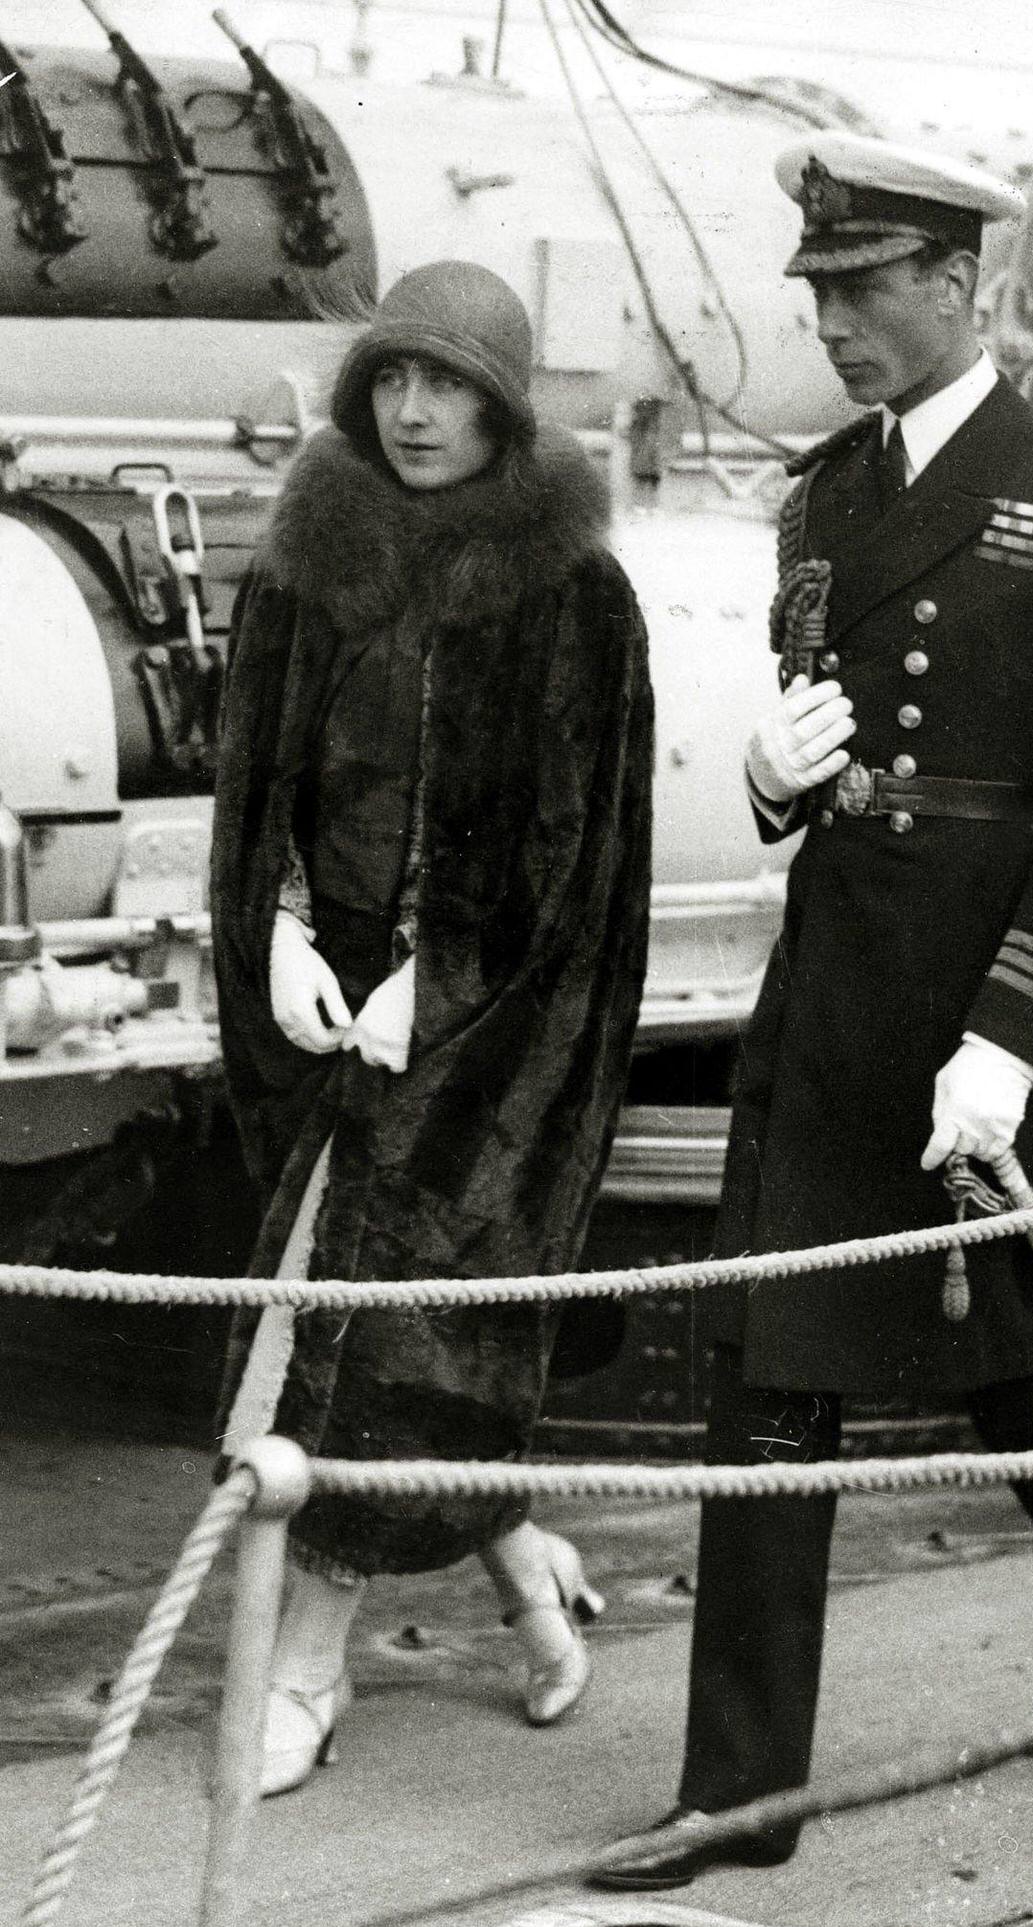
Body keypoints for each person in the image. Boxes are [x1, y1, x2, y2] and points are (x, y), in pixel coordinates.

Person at [593, 134, 1033, 1891]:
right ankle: (739, 1795)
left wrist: (1018, 1038)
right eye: (817, 291)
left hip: (987, 1018)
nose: (831, 323)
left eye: (863, 289)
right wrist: (767, 777)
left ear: (956, 287)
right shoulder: (820, 504)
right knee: (766, 1391)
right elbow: (833, 733)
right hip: (836, 1004)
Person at [210, 260, 654, 1796]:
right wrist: (269, 926)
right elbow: (255, 777)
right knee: (363, 1346)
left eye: (452, 385)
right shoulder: (302, 566)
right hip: (323, 1019)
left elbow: (581, 852)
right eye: (396, 377)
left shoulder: (575, 597)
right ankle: (530, 1574)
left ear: (505, 410)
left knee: (356, 1349)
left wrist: (442, 980)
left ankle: (308, 1671)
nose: (414, 411)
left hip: (486, 1046)